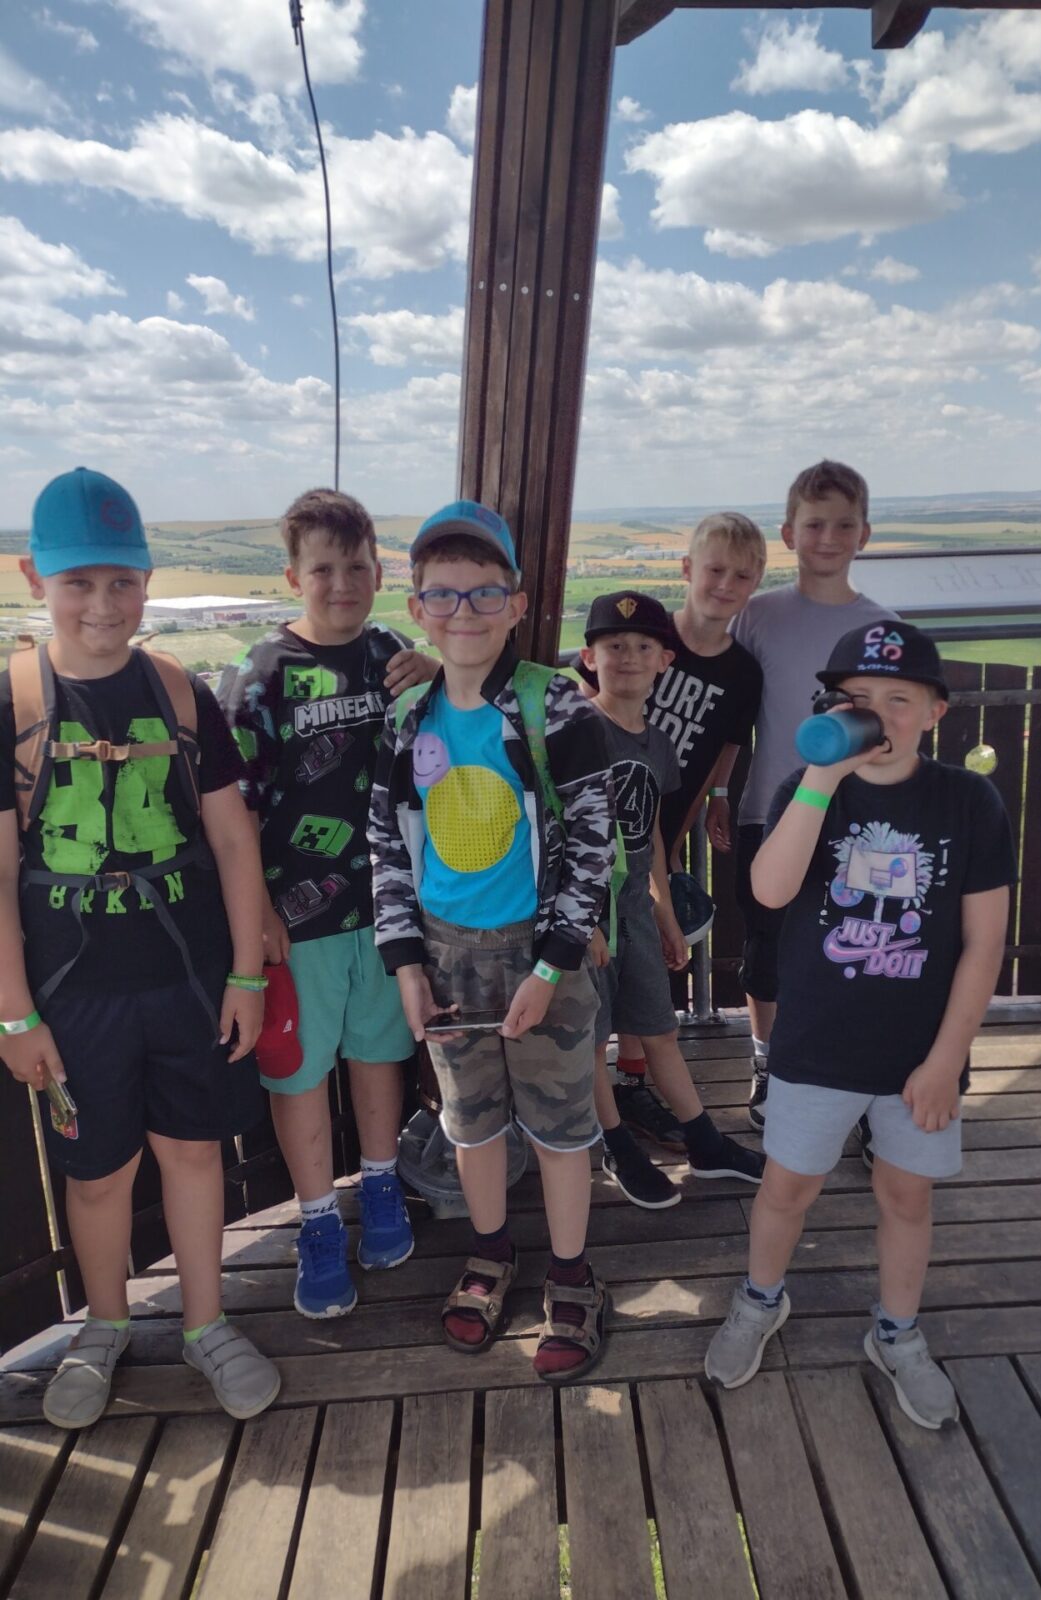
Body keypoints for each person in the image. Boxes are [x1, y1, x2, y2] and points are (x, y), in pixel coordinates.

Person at [0, 467, 279, 1427]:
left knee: (194, 1153)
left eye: (122, 581)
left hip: (187, 976)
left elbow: (233, 840)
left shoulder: (181, 694)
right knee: (99, 1173)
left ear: (148, 581)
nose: (103, 603)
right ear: (35, 578)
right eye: (79, 582)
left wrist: (246, 974)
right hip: (72, 993)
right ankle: (105, 1327)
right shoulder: (12, 703)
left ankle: (207, 1324)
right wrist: (14, 1014)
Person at [704, 622, 1015, 1427]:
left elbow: (984, 944)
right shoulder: (809, 790)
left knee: (906, 1195)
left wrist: (946, 1061)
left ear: (936, 712)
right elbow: (770, 892)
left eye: (897, 701)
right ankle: (760, 1298)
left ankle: (897, 1332)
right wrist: (819, 778)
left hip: (920, 1053)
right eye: (856, 701)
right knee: (787, 1186)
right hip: (816, 1045)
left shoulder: (967, 801)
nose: (876, 718)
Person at [369, 500, 615, 1381]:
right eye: (442, 595)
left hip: (542, 955)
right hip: (445, 958)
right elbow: (385, 844)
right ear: (417, 607)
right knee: (469, 1124)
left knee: (559, 1125)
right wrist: (405, 963)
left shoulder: (558, 708)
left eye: (483, 594)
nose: (462, 612)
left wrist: (551, 966)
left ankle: (572, 1273)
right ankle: (491, 1252)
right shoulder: (407, 718)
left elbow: (592, 848)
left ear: (517, 604)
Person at [217, 489, 417, 1319]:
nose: (343, 584)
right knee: (298, 1074)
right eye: (325, 569)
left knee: (378, 1054)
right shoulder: (260, 675)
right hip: (296, 924)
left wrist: (438, 674)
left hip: (391, 911)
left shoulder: (395, 654)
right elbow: (236, 812)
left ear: (379, 572)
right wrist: (259, 913)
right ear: (294, 576)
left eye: (358, 567)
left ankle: (381, 1187)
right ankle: (316, 1222)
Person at [576, 514, 766, 1151]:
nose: (725, 585)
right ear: (688, 570)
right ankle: (613, 1115)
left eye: (742, 576)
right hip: (598, 847)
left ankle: (633, 1088)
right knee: (605, 986)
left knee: (646, 967)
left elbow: (729, 742)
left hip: (659, 819)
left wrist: (716, 797)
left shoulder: (740, 672)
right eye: (714, 570)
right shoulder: (647, 633)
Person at [731, 460, 898, 1132]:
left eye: (843, 525)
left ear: (865, 534)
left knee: (856, 948)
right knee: (766, 950)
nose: (828, 538)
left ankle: (847, 1075)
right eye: (814, 524)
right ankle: (769, 1062)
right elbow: (728, 710)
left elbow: (898, 732)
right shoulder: (756, 616)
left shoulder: (884, 628)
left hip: (860, 820)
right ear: (788, 534)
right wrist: (718, 796)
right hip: (766, 813)